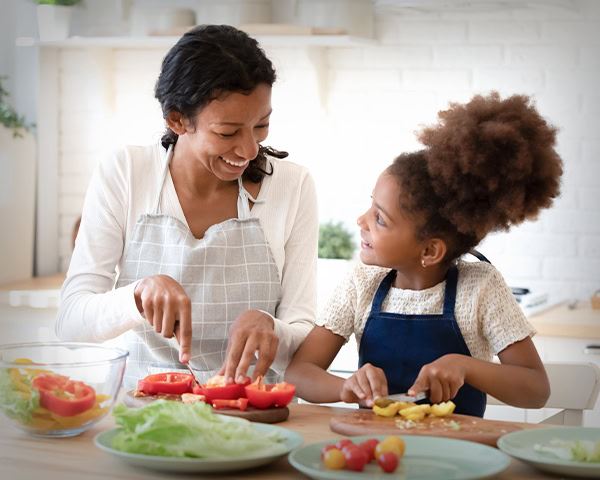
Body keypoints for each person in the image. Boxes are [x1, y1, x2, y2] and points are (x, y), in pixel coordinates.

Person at [56, 25, 318, 389]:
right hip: (145, 413)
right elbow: (71, 321)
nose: (249, 150)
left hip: (254, 415)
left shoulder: (292, 185)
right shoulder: (126, 173)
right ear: (177, 120)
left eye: (261, 125)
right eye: (227, 133)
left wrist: (272, 327)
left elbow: (304, 332)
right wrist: (137, 294)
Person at [285, 92, 561, 417]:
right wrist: (344, 388)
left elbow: (535, 389)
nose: (361, 221)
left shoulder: (480, 288)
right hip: (377, 453)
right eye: (371, 206)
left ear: (430, 250)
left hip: (457, 456)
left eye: (380, 218)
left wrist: (465, 366)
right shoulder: (363, 283)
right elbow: (299, 373)